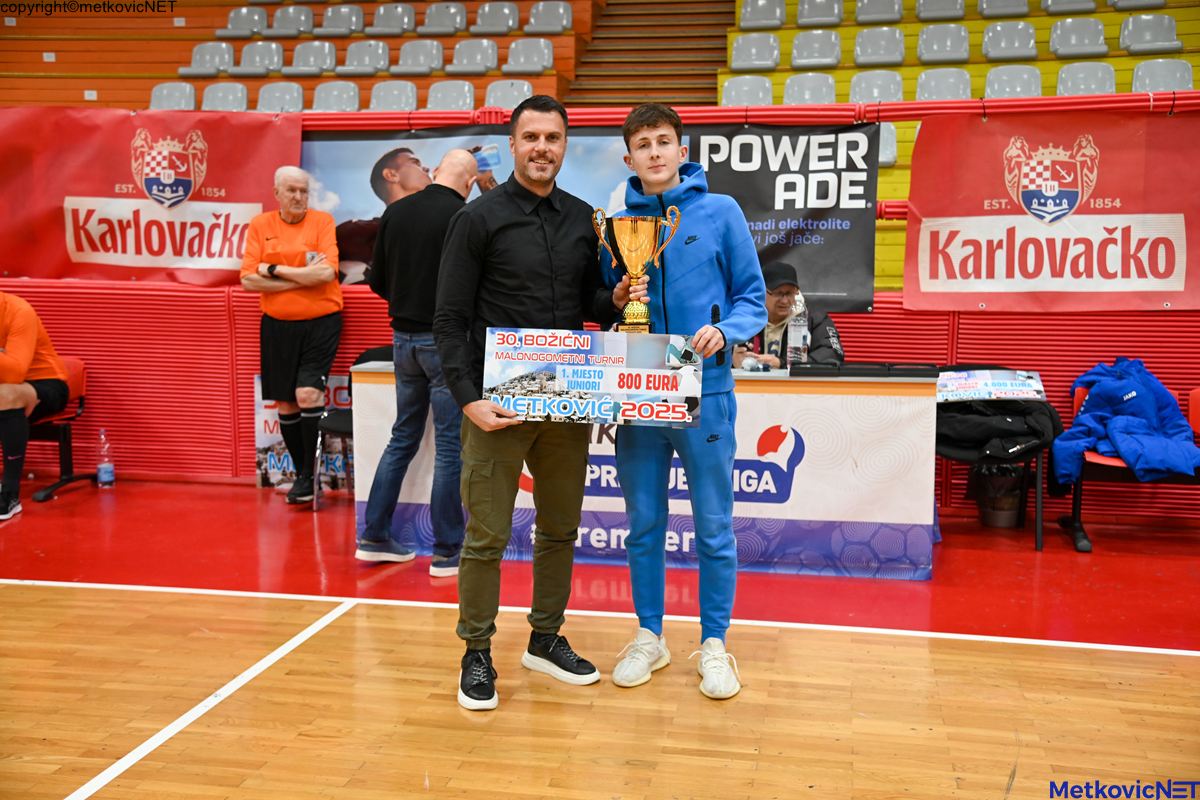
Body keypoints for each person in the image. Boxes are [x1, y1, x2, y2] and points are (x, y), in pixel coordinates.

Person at [434, 95, 634, 711]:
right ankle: (476, 651)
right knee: (487, 536)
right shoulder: (477, 219)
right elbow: (449, 319)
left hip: (566, 398)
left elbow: (589, 305)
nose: (542, 148)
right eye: (531, 137)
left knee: (560, 529)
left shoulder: (584, 219)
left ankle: (545, 638)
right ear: (513, 145)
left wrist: (615, 298)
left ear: (564, 145)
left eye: (553, 137)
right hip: (498, 403)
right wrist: (468, 401)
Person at [599, 103, 767, 700]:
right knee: (643, 524)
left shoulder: (722, 211)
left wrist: (725, 331)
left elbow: (752, 298)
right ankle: (650, 636)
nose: (654, 152)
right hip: (641, 387)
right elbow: (612, 303)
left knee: (714, 527)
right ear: (629, 158)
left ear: (682, 150)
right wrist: (618, 296)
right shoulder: (616, 225)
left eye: (663, 141)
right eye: (643, 144)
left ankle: (715, 644)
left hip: (707, 389)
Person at [355, 149, 480, 576]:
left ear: (438, 171)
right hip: (445, 342)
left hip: (402, 339)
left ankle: (374, 535)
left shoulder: (396, 211)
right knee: (448, 446)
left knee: (402, 436)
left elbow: (377, 280)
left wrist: (406, 301)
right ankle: (447, 550)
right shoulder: (464, 215)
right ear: (468, 183)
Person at [241, 166, 342, 506]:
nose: (299, 197)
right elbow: (248, 280)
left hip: (321, 322)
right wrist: (302, 277)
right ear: (277, 194)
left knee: (307, 394)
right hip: (277, 325)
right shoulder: (261, 225)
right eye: (292, 191)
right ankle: (304, 477)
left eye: (303, 191)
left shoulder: (322, 222)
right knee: (286, 402)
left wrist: (273, 270)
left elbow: (326, 274)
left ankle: (310, 476)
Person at [0, 292, 69, 520]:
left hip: (46, 383)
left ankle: (9, 494)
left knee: (5, 395)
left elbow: (14, 373)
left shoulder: (19, 311)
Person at [336, 148, 431, 284]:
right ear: (391, 175)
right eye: (415, 163)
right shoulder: (353, 234)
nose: (427, 168)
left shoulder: (445, 228)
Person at [733, 261, 844, 370]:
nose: (785, 301)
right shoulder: (745, 318)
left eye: (790, 293)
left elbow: (833, 354)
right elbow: (724, 352)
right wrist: (732, 362)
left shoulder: (813, 319)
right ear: (762, 291)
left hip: (797, 382)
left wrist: (781, 363)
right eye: (778, 293)